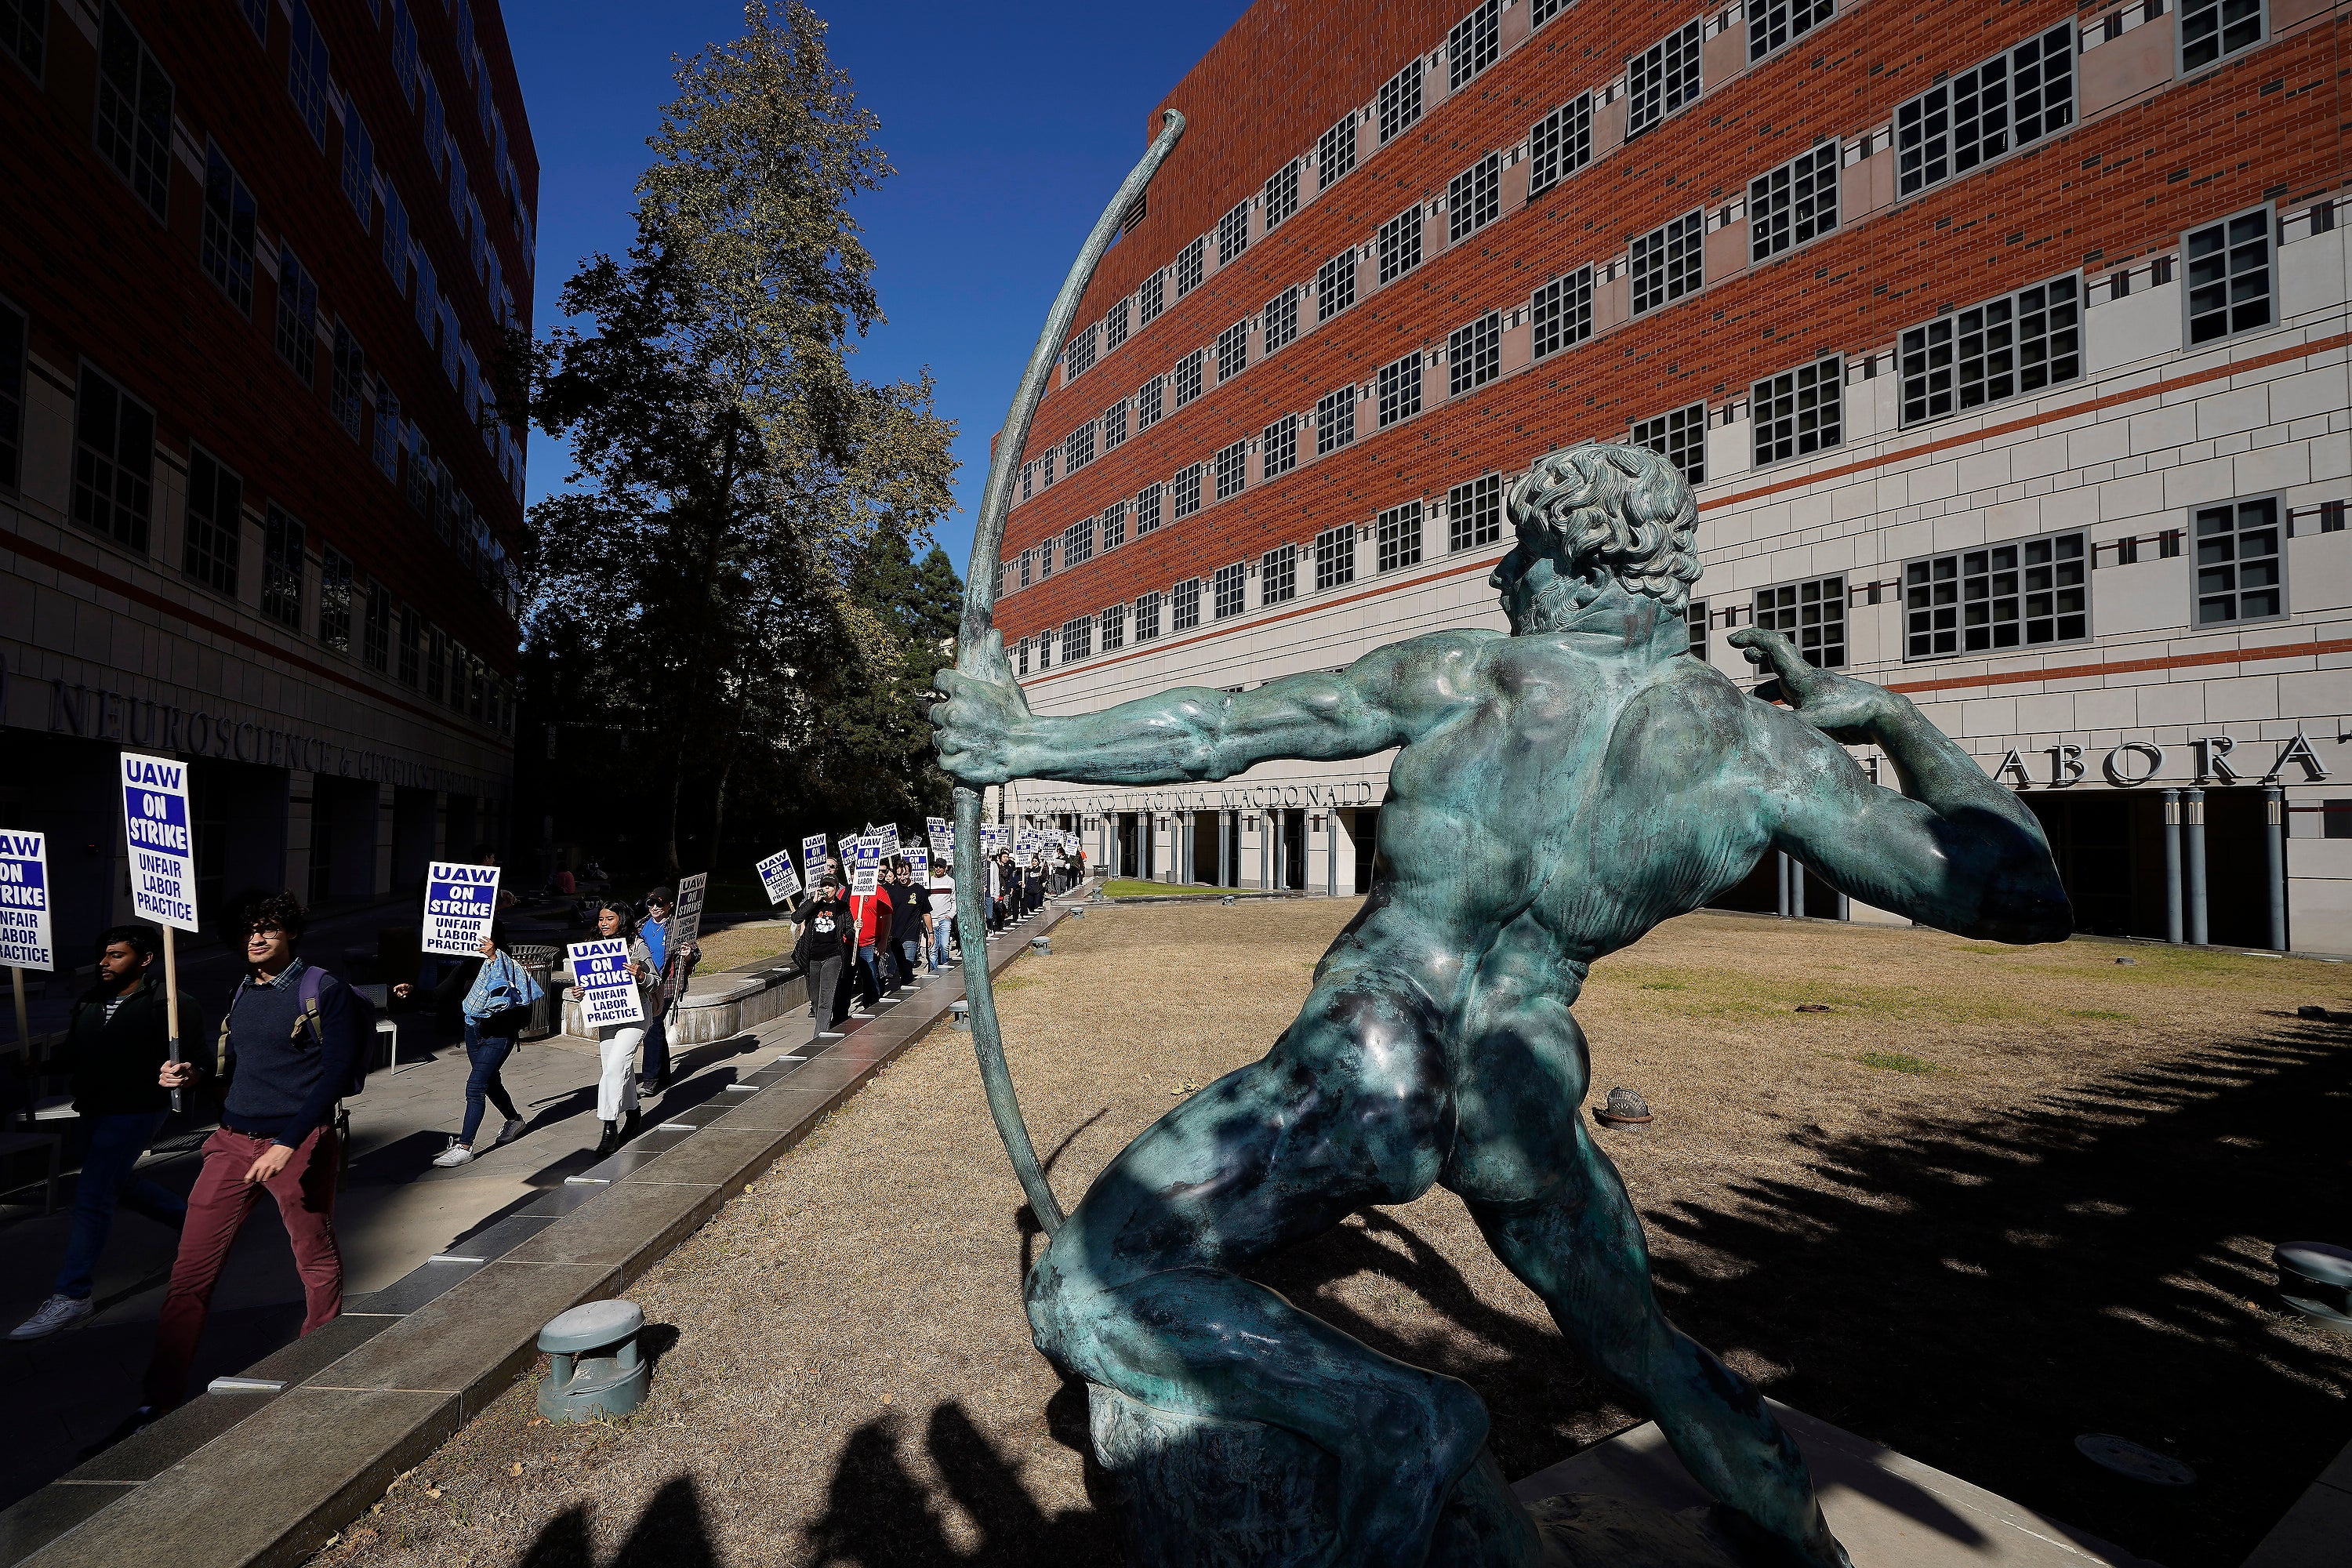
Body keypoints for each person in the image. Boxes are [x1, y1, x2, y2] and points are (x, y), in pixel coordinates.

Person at [931, 441, 2071, 1568]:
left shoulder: (1474, 676)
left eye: (1521, 551)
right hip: (1521, 1081)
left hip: (1374, 1049)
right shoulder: (1766, 754)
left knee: (1085, 1286)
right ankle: (1808, 1549)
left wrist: (1025, 741)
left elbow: (1222, 730)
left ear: (1577, 557)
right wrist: (1893, 719)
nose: (1501, 574)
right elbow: (2024, 893)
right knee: (1646, 1348)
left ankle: (1401, 1419)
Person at [143, 892, 358, 1415]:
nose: (256, 939)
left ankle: (318, 1361)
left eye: (268, 928)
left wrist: (289, 1142)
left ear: (291, 932)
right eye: (248, 931)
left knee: (314, 1256)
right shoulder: (241, 989)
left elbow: (337, 1075)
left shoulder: (323, 990)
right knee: (189, 1273)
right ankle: (159, 1400)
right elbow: (237, 1069)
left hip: (300, 1143)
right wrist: (193, 1076)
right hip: (232, 1143)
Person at [8, 927, 195, 1341]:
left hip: (137, 1110)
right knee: (118, 1182)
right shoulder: (90, 1001)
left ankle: (73, 1294)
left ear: (145, 959)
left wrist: (184, 1073)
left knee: (93, 1194)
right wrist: (41, 1067)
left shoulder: (170, 1003)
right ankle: (201, 1229)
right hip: (94, 1108)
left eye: (116, 955)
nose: (104, 962)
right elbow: (75, 1054)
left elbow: (196, 1061)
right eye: (104, 955)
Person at [425, 935, 532, 1167]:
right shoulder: (468, 966)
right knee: (490, 1082)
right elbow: (439, 993)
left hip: (500, 1035)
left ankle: (464, 1147)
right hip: (473, 1031)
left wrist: (493, 956)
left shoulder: (507, 965)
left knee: (475, 1086)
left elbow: (512, 996)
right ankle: (514, 1120)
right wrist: (410, 992)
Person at [575, 900, 657, 1156]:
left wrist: (640, 976)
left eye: (609, 919)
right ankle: (633, 1113)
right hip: (607, 1016)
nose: (603, 923)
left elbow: (655, 981)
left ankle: (609, 1128)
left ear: (622, 920)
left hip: (635, 1015)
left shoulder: (637, 946)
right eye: (601, 919)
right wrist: (580, 991)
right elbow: (589, 982)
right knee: (619, 1067)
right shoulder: (592, 946)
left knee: (615, 1066)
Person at [636, 887, 699, 1096]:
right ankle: (663, 1076)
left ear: (670, 905)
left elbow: (696, 954)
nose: (654, 907)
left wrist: (688, 954)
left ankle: (650, 1079)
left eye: (660, 904)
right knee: (656, 1028)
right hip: (645, 983)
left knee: (652, 1026)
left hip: (668, 984)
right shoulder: (640, 925)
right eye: (651, 903)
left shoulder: (678, 927)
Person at [792, 876, 852, 1044]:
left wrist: (855, 928)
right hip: (812, 957)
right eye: (824, 885)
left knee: (826, 997)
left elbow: (849, 932)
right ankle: (824, 1024)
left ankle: (819, 1037)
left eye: (830, 886)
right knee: (816, 998)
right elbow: (796, 918)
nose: (827, 889)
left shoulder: (842, 907)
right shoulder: (813, 905)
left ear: (836, 889)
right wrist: (813, 901)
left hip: (833, 956)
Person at [888, 862, 927, 989]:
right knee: (900, 967)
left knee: (907, 967)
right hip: (895, 936)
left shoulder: (919, 890)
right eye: (899, 874)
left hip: (911, 935)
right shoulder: (892, 891)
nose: (902, 877)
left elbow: (926, 913)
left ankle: (906, 993)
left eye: (905, 874)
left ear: (910, 873)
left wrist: (930, 933)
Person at [927, 863, 957, 971]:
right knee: (932, 949)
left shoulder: (951, 882)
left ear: (945, 868)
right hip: (931, 920)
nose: (938, 869)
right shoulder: (928, 881)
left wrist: (951, 915)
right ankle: (934, 971)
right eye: (936, 866)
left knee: (944, 946)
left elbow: (954, 900)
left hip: (945, 919)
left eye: (941, 867)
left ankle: (944, 969)